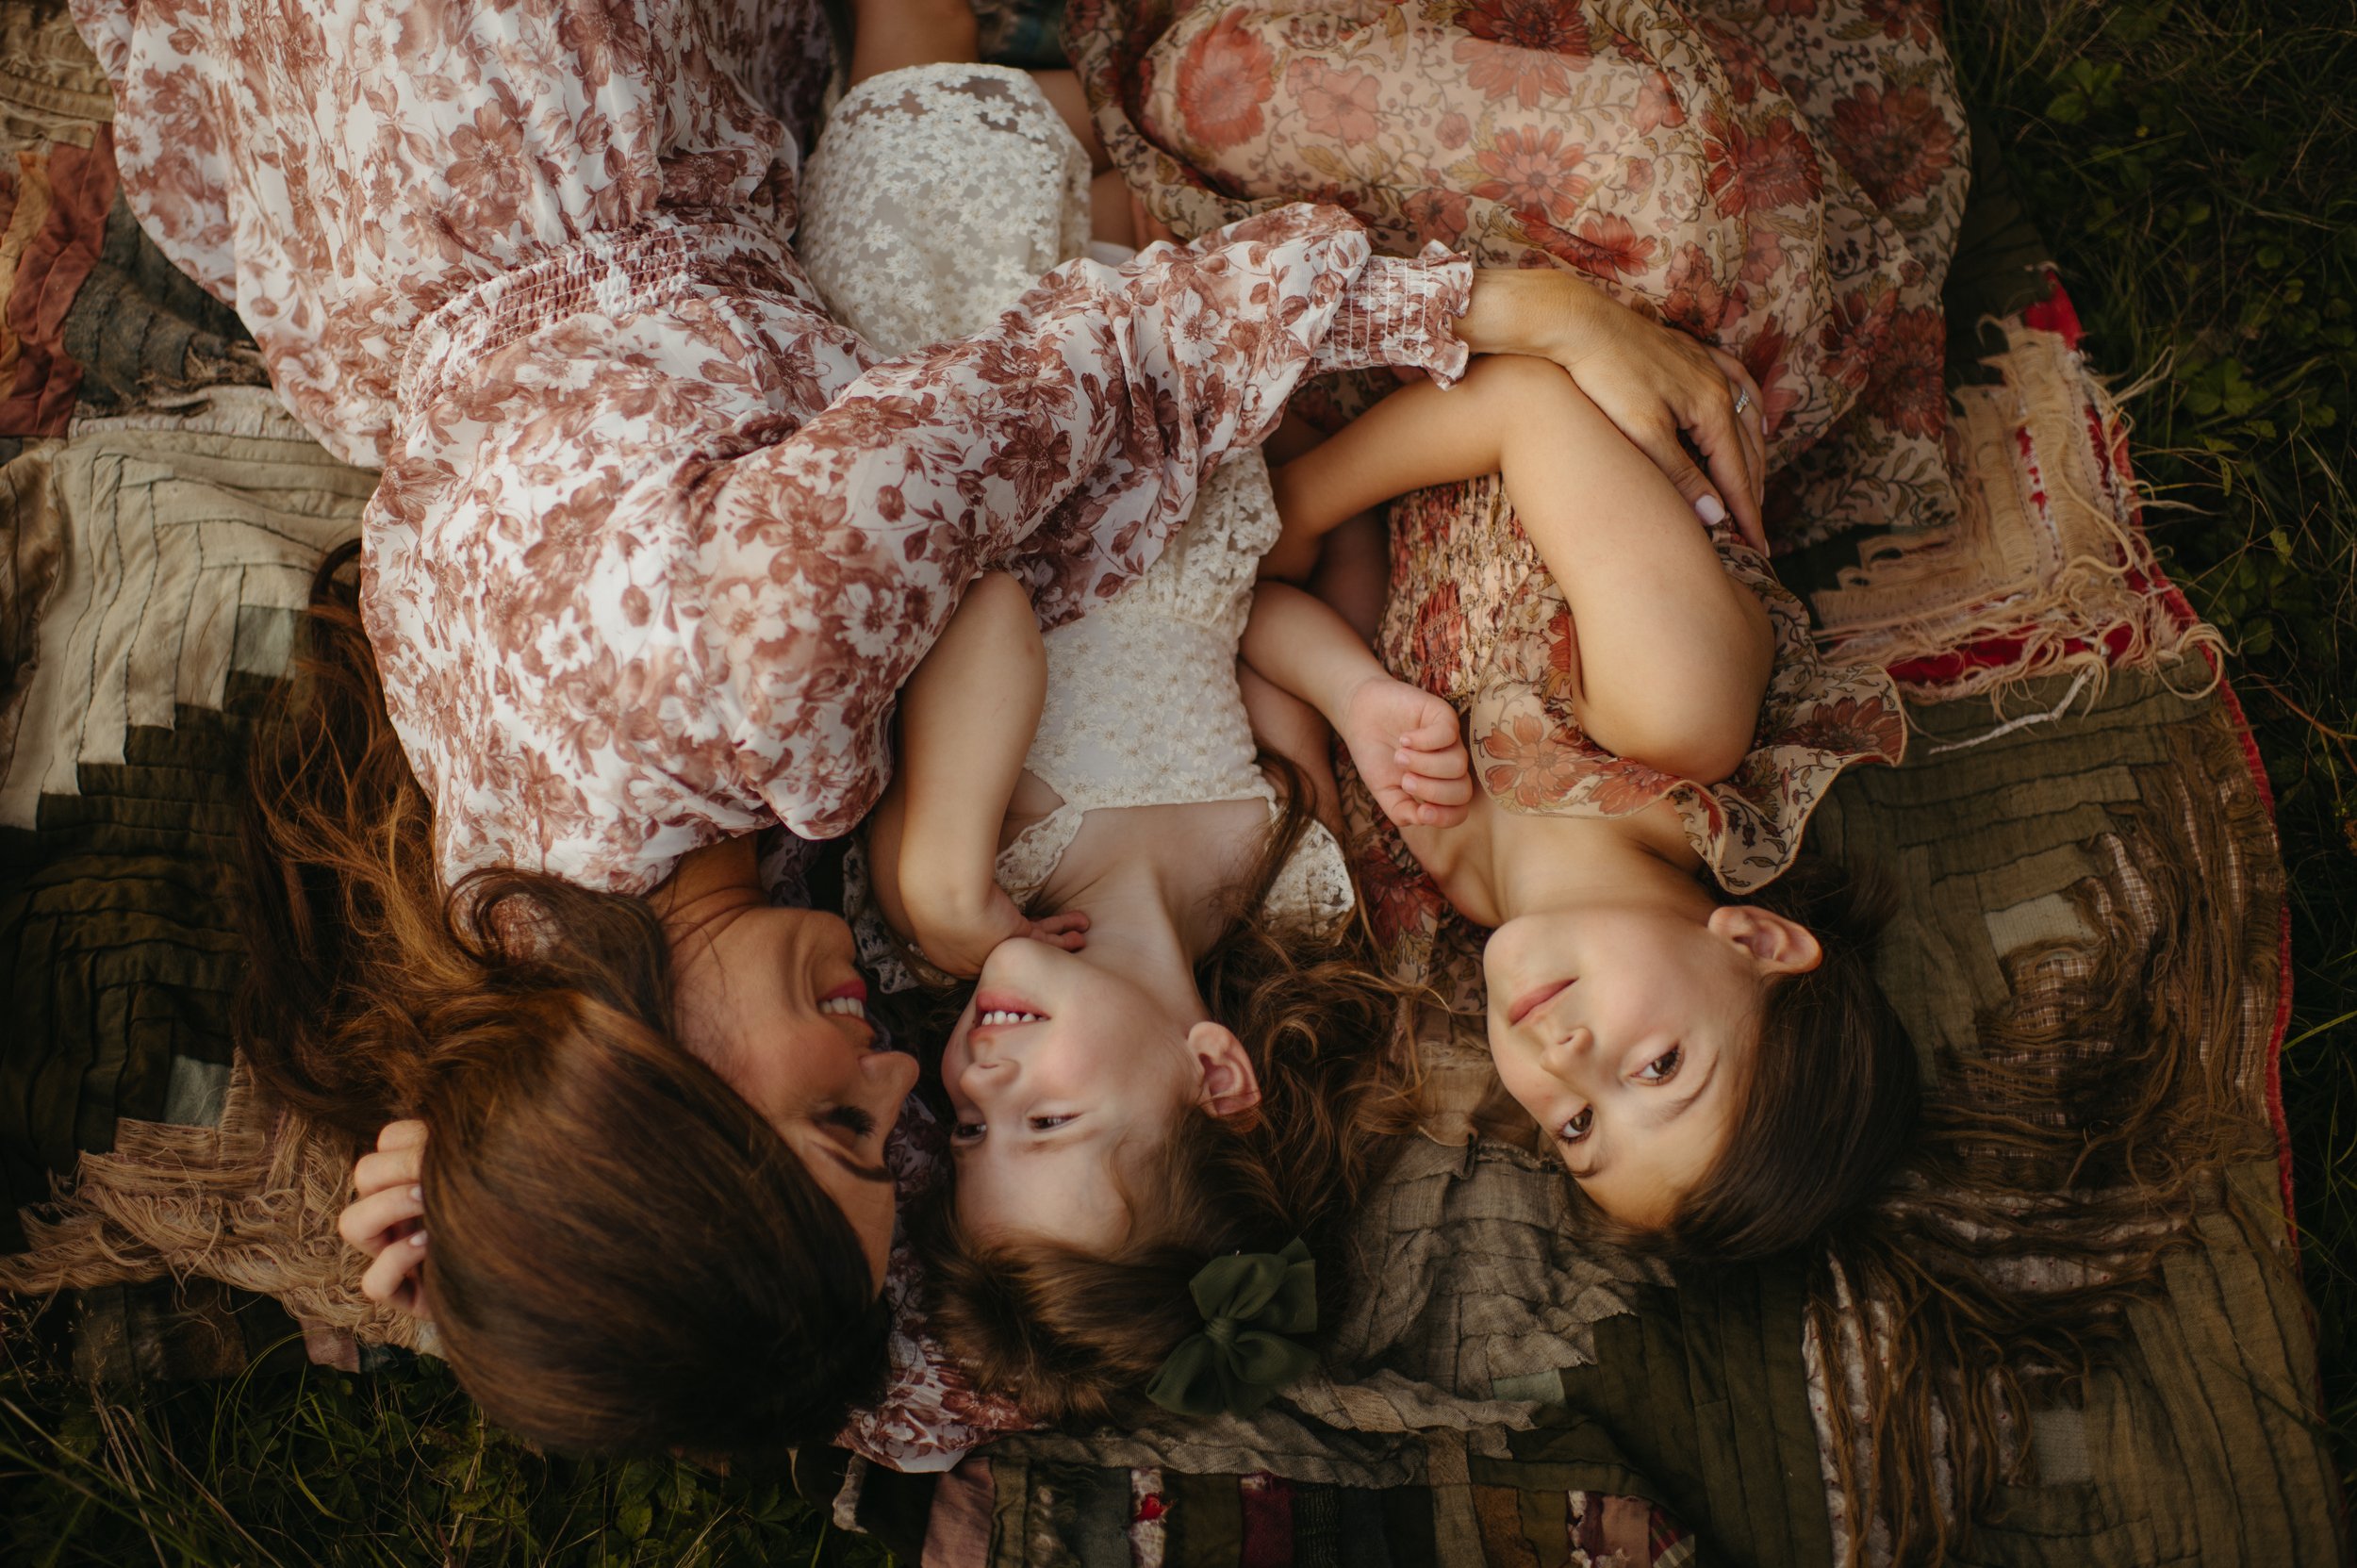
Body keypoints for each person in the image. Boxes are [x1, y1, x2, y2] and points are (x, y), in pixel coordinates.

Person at [69, 0, 1758, 1456]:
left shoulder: (773, 712)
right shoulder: (525, 907)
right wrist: (529, 1220)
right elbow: (921, 1353)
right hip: (401, 212)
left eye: (849, 1124)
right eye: (894, 1139)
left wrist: (1489, 311)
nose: (908, 1074)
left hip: (528, 94)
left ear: (656, 1106)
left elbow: (1087, 379)